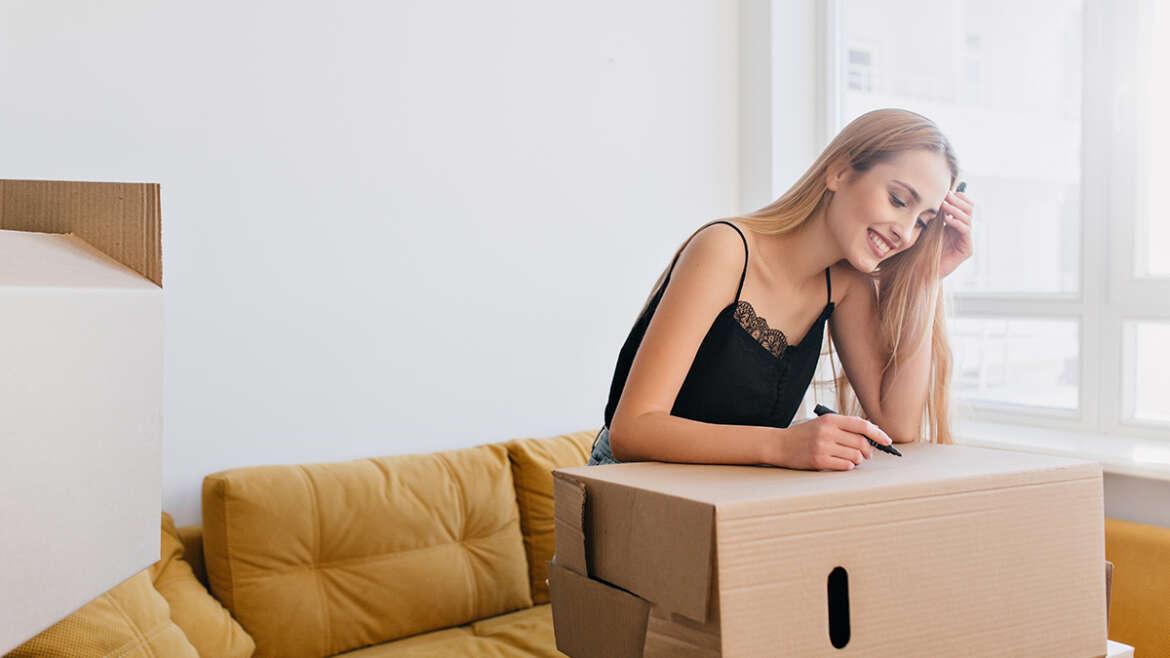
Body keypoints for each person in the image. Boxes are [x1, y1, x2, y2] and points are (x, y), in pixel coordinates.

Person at [589, 108, 975, 471]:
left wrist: (927, 279)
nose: (905, 232)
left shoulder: (845, 283)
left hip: (725, 495)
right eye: (898, 200)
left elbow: (899, 423)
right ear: (839, 172)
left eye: (923, 222)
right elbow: (632, 430)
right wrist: (784, 445)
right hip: (631, 486)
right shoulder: (725, 249)